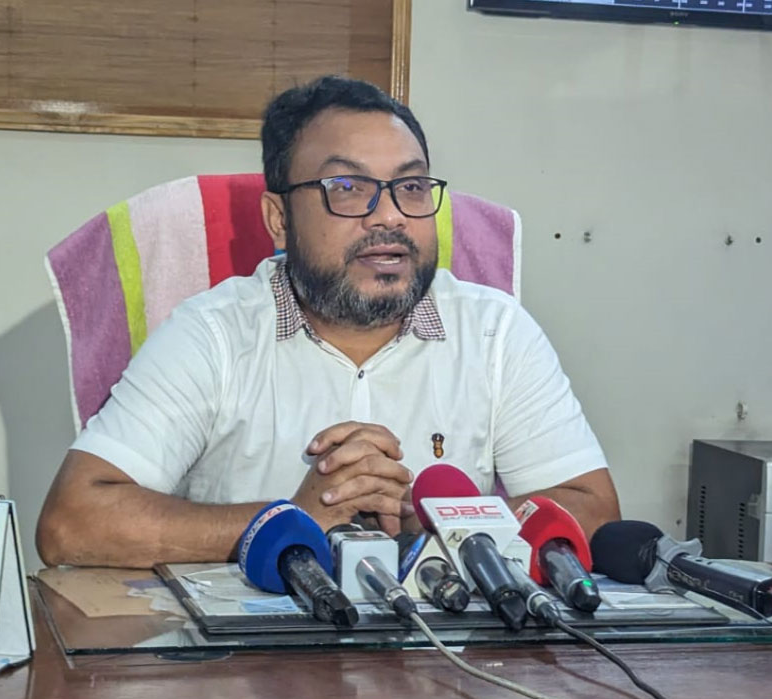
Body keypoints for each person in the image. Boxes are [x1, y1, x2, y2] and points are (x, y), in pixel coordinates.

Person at [36, 76, 620, 568]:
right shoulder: (213, 334)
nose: (389, 216)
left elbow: (592, 509)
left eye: (411, 187)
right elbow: (72, 522)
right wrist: (288, 521)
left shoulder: (495, 333)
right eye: (348, 188)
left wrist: (440, 521)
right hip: (251, 663)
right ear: (279, 219)